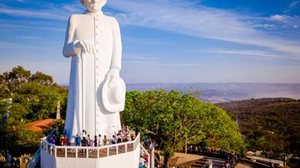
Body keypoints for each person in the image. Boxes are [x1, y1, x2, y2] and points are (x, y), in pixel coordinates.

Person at [63, 0, 125, 142]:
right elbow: (65, 51)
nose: (94, 1)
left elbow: (118, 48)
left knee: (107, 108)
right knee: (84, 108)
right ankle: (77, 138)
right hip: (82, 75)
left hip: (106, 75)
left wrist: (115, 69)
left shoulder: (112, 22)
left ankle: (110, 138)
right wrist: (76, 45)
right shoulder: (75, 19)